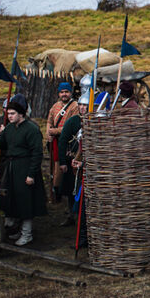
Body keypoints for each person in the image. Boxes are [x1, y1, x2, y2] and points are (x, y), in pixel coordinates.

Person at [0, 94, 47, 246]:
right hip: (12, 168)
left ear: (21, 114)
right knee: (13, 199)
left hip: (25, 167)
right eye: (8, 113)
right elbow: (5, 144)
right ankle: (17, 229)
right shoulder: (9, 128)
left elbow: (37, 153)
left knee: (25, 201)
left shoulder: (31, 129)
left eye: (12, 113)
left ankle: (27, 233)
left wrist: (31, 174)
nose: (9, 116)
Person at [56, 94, 90, 226]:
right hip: (73, 161)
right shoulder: (72, 121)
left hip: (88, 162)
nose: (82, 108)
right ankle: (70, 215)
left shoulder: (95, 120)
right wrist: (63, 162)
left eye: (85, 105)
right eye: (80, 105)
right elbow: (63, 141)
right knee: (72, 190)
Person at [46, 82, 79, 202]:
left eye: (66, 92)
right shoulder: (55, 106)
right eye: (62, 92)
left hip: (69, 142)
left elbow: (69, 127)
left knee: (64, 167)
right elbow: (49, 120)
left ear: (70, 92)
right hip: (55, 141)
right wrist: (48, 133)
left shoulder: (75, 106)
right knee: (55, 167)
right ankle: (56, 190)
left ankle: (63, 191)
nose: (64, 94)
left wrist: (53, 131)